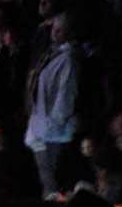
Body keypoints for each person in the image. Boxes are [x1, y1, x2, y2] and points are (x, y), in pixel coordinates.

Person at [25, 12, 80, 196]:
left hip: (53, 132)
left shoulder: (68, 59)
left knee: (50, 185)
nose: (55, 34)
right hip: (41, 127)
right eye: (54, 29)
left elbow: (65, 94)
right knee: (44, 181)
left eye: (60, 30)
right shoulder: (51, 54)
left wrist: (54, 122)